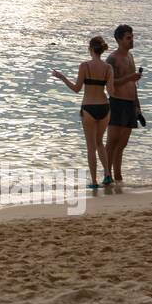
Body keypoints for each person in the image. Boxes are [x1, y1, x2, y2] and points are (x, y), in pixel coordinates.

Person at [51, 36, 114, 189]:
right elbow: (111, 91)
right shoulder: (108, 68)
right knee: (100, 143)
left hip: (89, 108)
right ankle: (107, 174)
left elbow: (76, 89)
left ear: (91, 49)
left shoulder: (84, 66)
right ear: (101, 50)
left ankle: (93, 181)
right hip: (105, 107)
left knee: (91, 146)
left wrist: (62, 77)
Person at [105, 25, 142, 183]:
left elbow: (133, 84)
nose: (131, 40)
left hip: (130, 103)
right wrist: (129, 78)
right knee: (112, 141)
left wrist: (138, 106)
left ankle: (118, 176)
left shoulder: (130, 56)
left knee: (123, 143)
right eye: (128, 37)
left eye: (132, 36)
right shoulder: (112, 59)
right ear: (119, 40)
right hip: (116, 102)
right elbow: (109, 85)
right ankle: (108, 175)